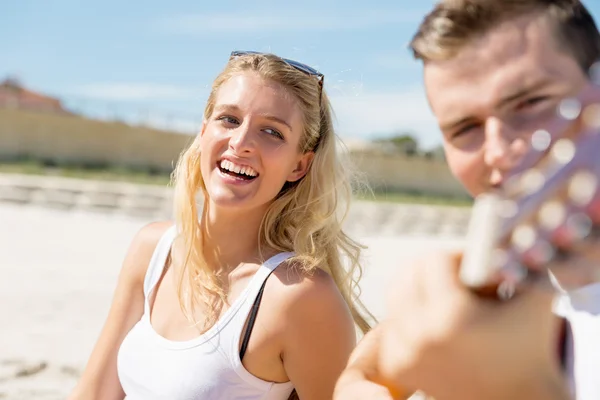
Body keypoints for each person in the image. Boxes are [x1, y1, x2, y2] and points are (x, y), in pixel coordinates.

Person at [68, 50, 374, 400]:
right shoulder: (153, 250)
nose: (241, 143)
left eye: (272, 132)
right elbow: (93, 394)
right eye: (229, 119)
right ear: (203, 131)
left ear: (299, 166)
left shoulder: (298, 295)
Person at [334, 0, 600, 399]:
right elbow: (370, 364)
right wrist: (358, 384)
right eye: (464, 128)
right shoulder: (509, 270)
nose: (495, 151)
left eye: (530, 103)